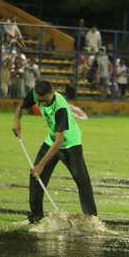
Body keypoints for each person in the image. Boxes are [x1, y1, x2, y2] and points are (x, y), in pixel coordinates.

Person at [12, 80, 98, 224]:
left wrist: (41, 165)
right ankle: (36, 218)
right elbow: (21, 106)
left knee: (82, 182)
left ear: (53, 92)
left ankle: (93, 220)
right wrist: (17, 121)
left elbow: (59, 142)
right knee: (35, 177)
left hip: (70, 144)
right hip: (51, 140)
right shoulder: (36, 94)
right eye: (40, 101)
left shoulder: (61, 108)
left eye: (45, 100)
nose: (43, 104)